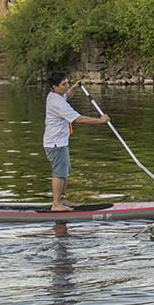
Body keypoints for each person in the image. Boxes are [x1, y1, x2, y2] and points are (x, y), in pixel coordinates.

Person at [44, 71, 109, 211]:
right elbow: (78, 119)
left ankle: (62, 200)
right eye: (64, 84)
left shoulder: (58, 95)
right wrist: (100, 121)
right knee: (59, 173)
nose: (66, 86)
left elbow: (67, 95)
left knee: (65, 172)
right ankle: (56, 205)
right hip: (55, 143)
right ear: (55, 87)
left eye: (67, 83)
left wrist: (74, 87)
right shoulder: (57, 102)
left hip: (61, 142)